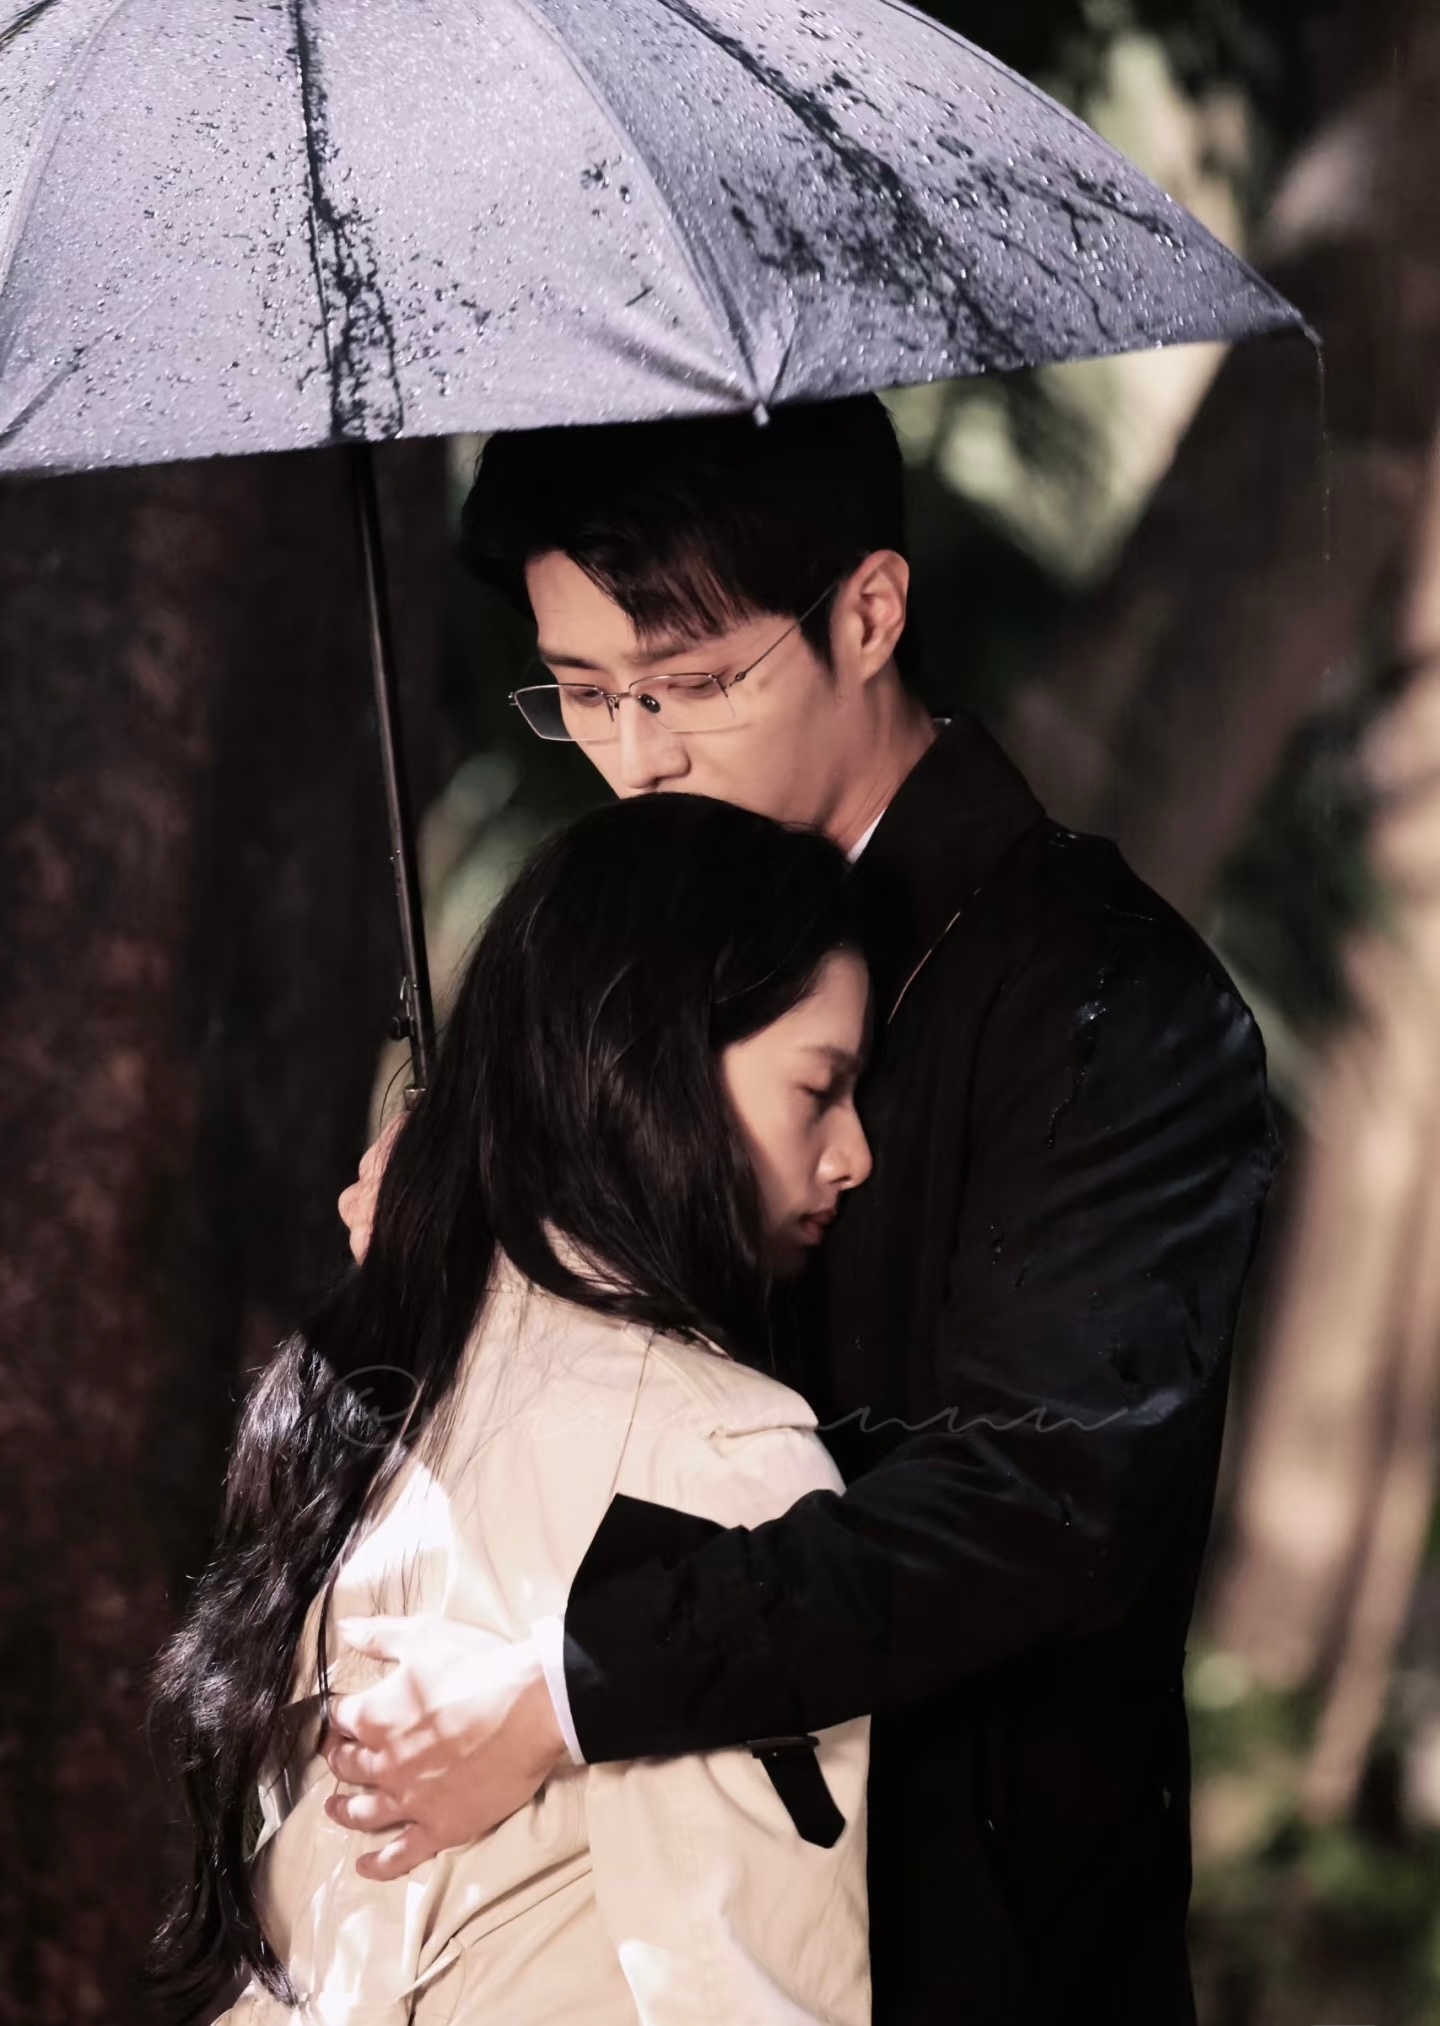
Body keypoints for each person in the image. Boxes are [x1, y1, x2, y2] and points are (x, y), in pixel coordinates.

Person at [328, 396, 1280, 2025]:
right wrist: (438, 1253)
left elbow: (1039, 1501)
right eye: (583, 693)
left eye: (693, 683)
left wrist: (568, 1692)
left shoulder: (1109, 999)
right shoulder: (609, 982)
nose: (636, 756)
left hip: (964, 1944)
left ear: (870, 612)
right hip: (610, 1935)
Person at [148, 795, 878, 2024]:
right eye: (822, 1088)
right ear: (657, 1065)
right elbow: (751, 1993)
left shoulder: (385, 1385)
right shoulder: (727, 1461)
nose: (855, 1152)